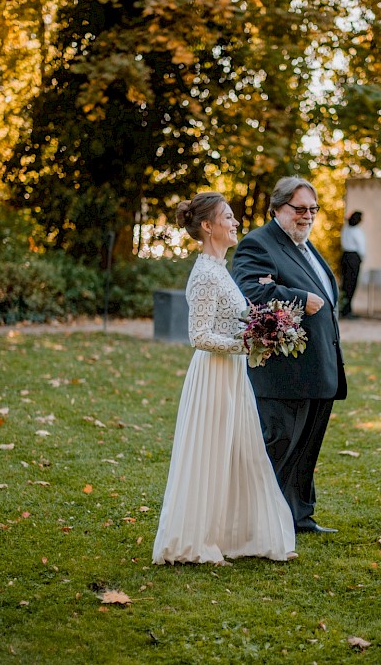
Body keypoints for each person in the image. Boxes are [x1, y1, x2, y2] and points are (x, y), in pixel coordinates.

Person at [153, 192, 296, 565]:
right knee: (212, 453)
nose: (235, 224)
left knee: (238, 453)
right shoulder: (204, 274)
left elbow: (234, 321)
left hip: (231, 375)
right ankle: (195, 539)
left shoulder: (221, 269)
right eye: (228, 217)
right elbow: (198, 336)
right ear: (207, 226)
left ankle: (235, 533)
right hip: (213, 376)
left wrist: (265, 329)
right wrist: (247, 344)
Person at [231, 176, 347, 534]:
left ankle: (298, 517)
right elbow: (248, 291)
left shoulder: (305, 247)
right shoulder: (258, 244)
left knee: (306, 451)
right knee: (278, 446)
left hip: (318, 368)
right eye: (299, 209)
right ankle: (258, 521)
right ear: (277, 209)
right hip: (284, 372)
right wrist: (299, 298)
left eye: (313, 209)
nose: (307, 216)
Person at [340, 210, 366, 318]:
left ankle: (344, 307)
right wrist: (362, 257)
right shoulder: (357, 231)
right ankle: (347, 310)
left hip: (345, 256)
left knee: (345, 283)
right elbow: (362, 247)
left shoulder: (345, 229)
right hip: (354, 257)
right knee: (352, 283)